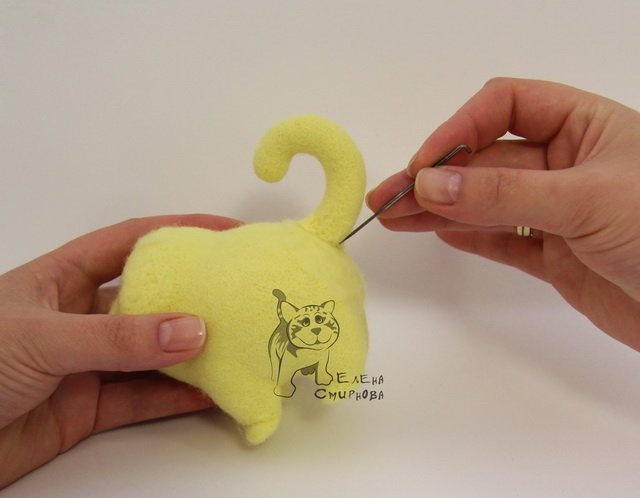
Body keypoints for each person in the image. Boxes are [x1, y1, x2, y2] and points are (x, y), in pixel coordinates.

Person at [1, 77, 639, 486]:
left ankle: (337, 369)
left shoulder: (183, 287)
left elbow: (247, 392)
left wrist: (259, 409)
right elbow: (248, 380)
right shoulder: (207, 265)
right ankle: (339, 370)